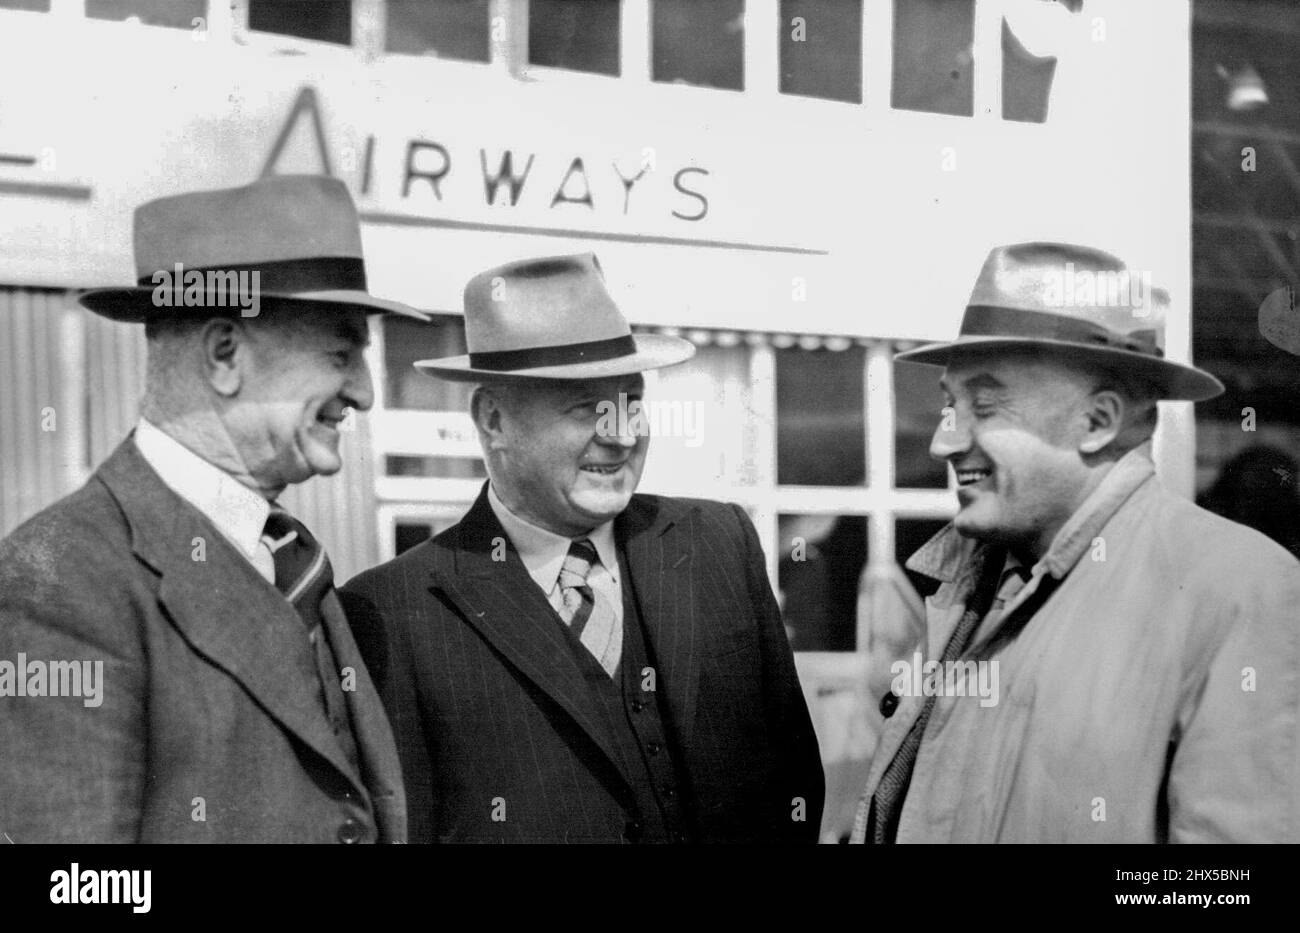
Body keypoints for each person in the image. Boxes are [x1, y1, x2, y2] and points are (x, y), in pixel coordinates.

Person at [341, 253, 824, 843]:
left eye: (630, 402)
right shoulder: (389, 612)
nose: (620, 435)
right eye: (585, 409)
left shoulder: (718, 541)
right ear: (493, 420)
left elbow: (795, 775)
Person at [0, 174, 424, 843]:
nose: (366, 393)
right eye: (341, 351)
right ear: (225, 354)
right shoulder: (59, 579)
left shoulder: (292, 557)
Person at [851, 241, 1300, 843]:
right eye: (948, 405)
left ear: (1099, 422)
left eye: (984, 405)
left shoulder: (1242, 591)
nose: (944, 443)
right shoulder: (967, 586)